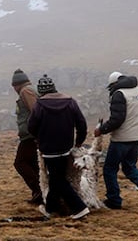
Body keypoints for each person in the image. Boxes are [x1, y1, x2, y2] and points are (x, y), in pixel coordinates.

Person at [28, 74, 90, 220]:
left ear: (41, 91)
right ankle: (50, 209)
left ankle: (79, 208)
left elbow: (31, 126)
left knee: (58, 180)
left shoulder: (39, 105)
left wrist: (38, 138)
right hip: (66, 147)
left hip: (48, 149)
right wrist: (79, 142)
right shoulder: (70, 102)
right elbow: (81, 123)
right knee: (56, 179)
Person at [94, 71, 138, 210]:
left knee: (110, 168)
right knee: (129, 167)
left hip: (122, 138)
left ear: (114, 84)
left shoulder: (119, 94)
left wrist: (102, 130)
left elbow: (117, 119)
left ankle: (114, 200)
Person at [11, 68, 43, 205]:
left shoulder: (26, 91)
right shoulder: (30, 90)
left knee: (20, 162)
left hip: (30, 135)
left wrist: (37, 133)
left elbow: (35, 112)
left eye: (13, 86)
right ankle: (40, 193)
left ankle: (39, 190)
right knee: (33, 164)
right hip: (32, 135)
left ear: (17, 84)